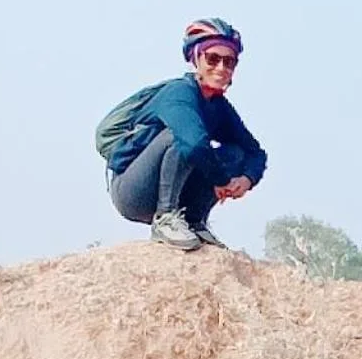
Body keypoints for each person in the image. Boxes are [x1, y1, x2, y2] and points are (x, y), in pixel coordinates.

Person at [106, 18, 267, 252]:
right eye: (213, 59)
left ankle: (193, 220)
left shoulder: (218, 106)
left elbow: (255, 153)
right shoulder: (179, 93)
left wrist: (246, 179)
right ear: (196, 59)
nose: (221, 67)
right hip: (133, 189)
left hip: (172, 182)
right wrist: (221, 180)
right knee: (182, 137)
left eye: (229, 61)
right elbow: (193, 146)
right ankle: (166, 217)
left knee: (235, 153)